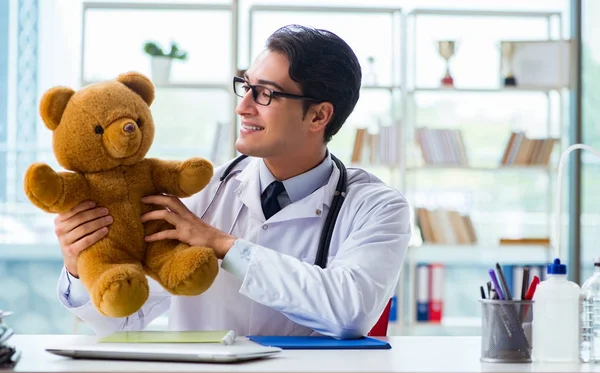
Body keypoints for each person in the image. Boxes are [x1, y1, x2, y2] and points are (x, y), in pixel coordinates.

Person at [54, 24, 411, 339]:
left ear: (318, 115)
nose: (244, 107)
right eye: (247, 87)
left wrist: (223, 245)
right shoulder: (202, 193)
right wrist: (78, 265)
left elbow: (351, 311)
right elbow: (124, 322)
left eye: (266, 93)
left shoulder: (378, 208)